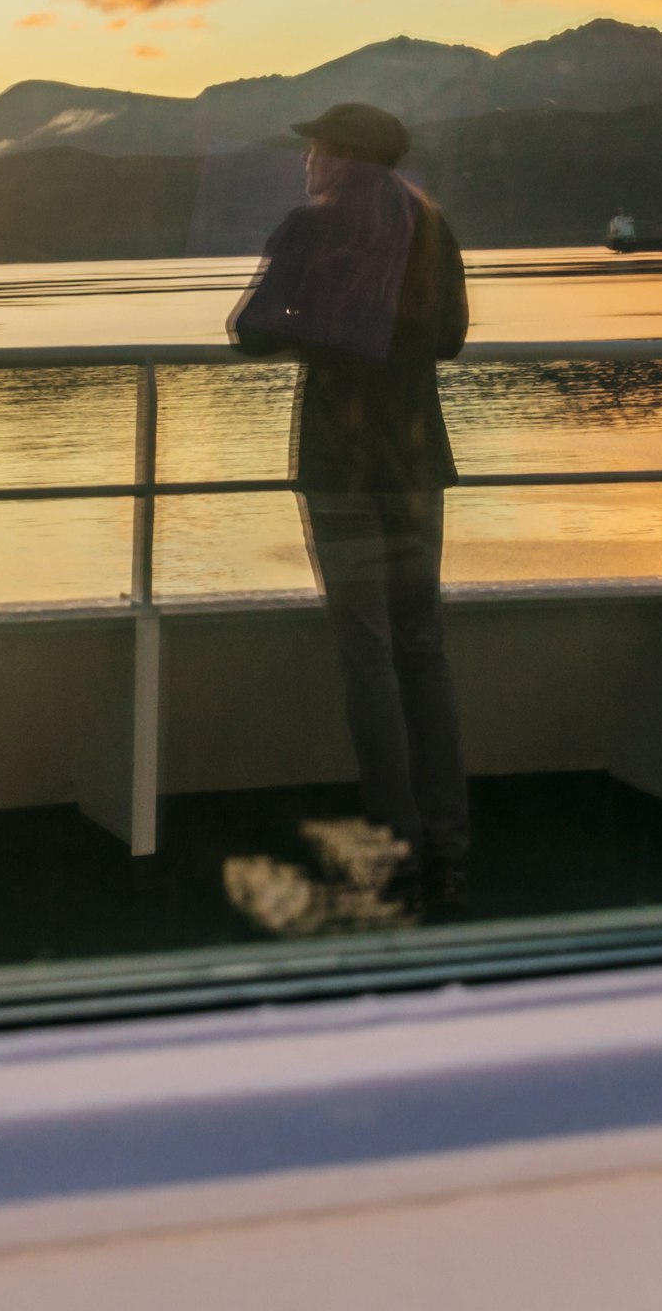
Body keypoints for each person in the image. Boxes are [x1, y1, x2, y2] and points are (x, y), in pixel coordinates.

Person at [228, 101, 474, 915]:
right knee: (423, 650)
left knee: (369, 658)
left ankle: (394, 850)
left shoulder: (313, 228)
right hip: (414, 463)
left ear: (339, 157)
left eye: (316, 150)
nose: (308, 163)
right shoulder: (430, 226)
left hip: (341, 463)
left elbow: (252, 331)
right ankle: (448, 845)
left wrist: (318, 319)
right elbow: (448, 337)